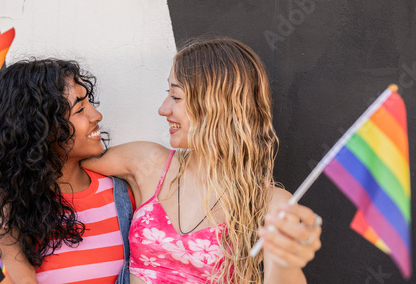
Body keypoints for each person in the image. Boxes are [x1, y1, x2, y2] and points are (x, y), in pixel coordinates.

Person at [81, 38, 322, 283]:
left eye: (176, 97)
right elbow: (63, 160)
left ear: (215, 105)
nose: (163, 109)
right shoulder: (147, 161)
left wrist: (287, 263)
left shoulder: (270, 204)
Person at [0, 59, 134, 284]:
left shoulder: (125, 192)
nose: (97, 115)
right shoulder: (9, 209)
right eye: (80, 109)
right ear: (41, 128)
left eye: (90, 103)